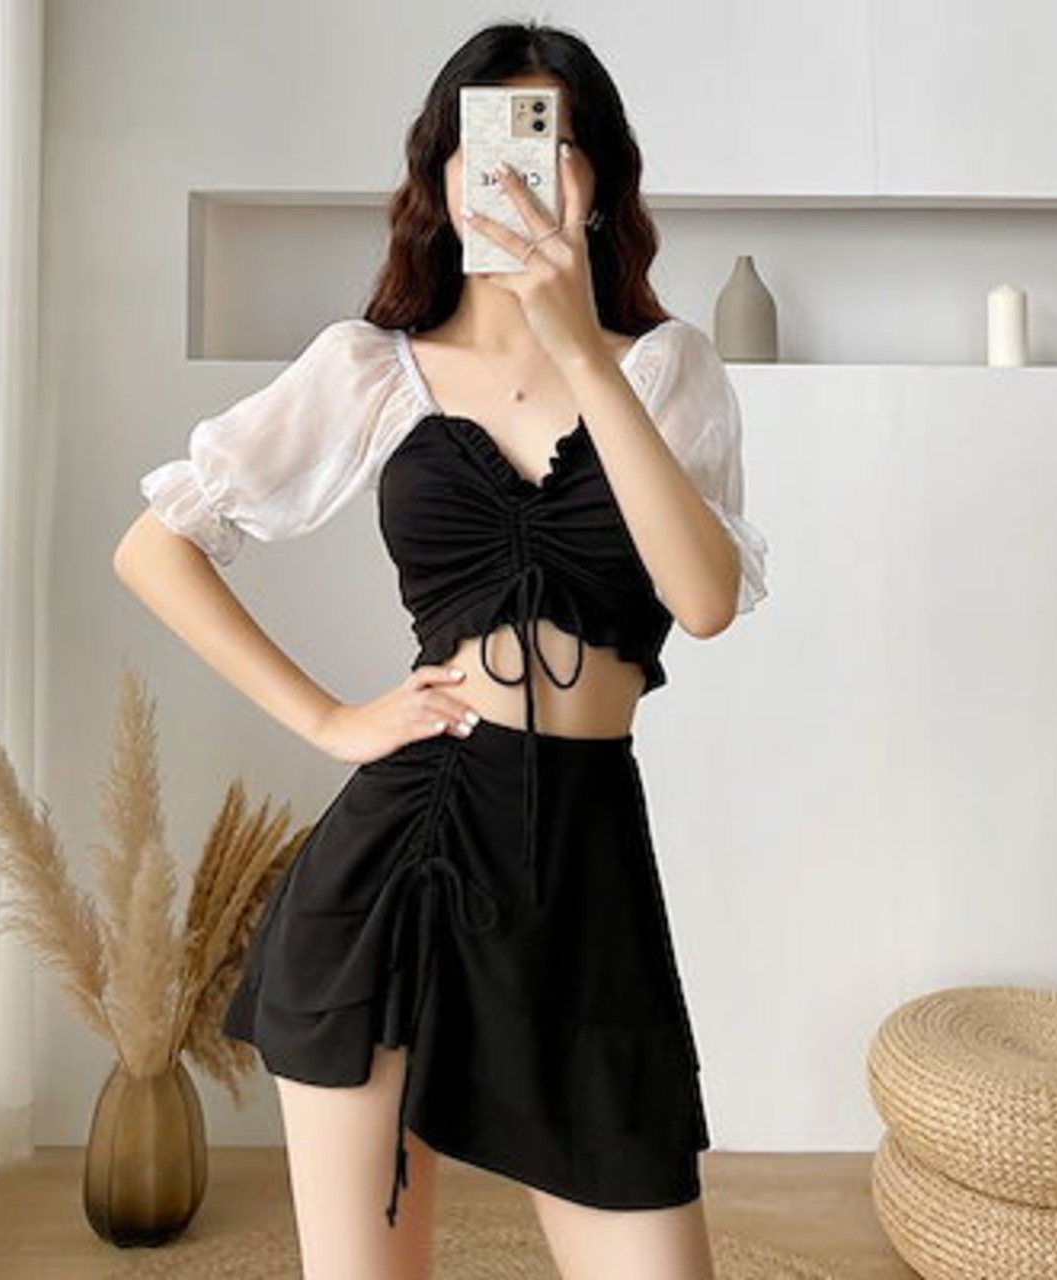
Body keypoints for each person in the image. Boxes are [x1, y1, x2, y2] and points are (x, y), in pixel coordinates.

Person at [115, 19, 767, 1280]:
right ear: (442, 169)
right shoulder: (371, 369)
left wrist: (574, 341)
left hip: (582, 871)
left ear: (599, 176)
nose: (522, 168)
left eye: (555, 139)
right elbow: (156, 546)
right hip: (399, 867)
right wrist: (329, 720)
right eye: (494, 139)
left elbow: (701, 600)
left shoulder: (665, 367)